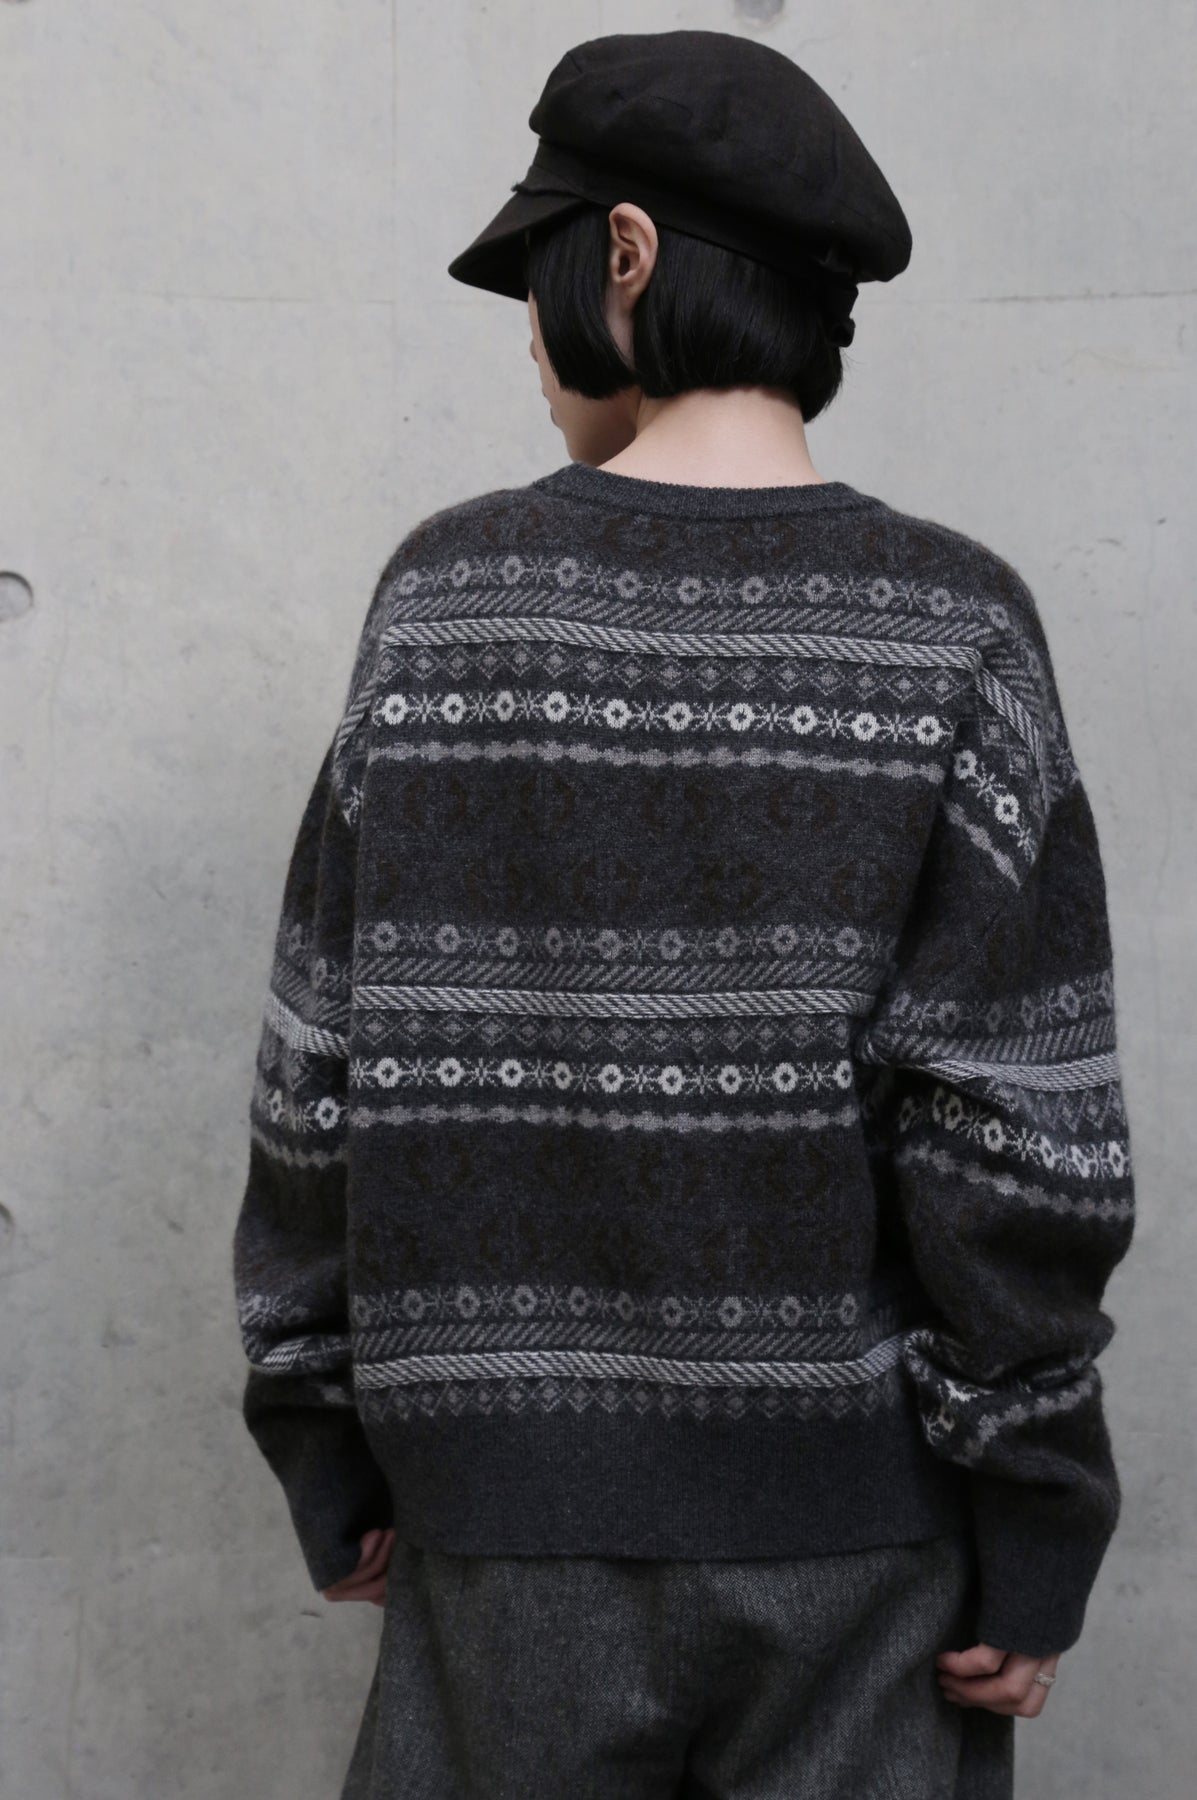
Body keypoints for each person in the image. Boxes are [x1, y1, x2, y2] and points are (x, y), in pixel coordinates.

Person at [230, 30, 1135, 1799]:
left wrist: (321, 1432)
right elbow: (1018, 1143)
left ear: (627, 258)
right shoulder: (953, 625)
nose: (531, 334)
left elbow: (318, 1071)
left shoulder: (449, 598)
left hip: (500, 1532)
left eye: (539, 275)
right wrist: (1034, 1509)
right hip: (858, 1548)